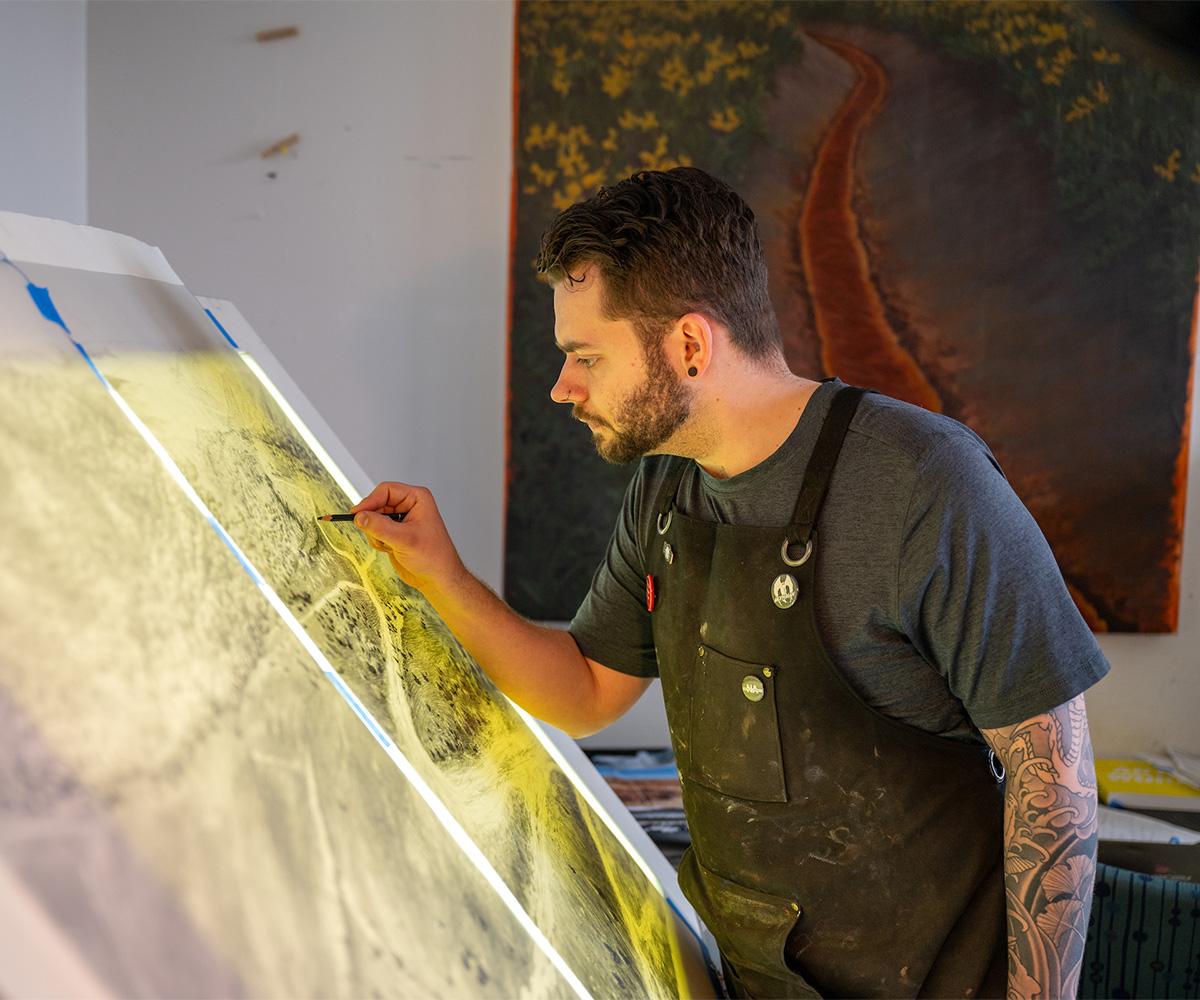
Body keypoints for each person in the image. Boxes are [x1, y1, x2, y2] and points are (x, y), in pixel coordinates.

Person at [352, 167, 1110, 999]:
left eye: (584, 356)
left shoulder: (926, 480)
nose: (562, 388)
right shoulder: (666, 486)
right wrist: (444, 576)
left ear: (688, 347)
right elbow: (588, 690)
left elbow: (1052, 778)